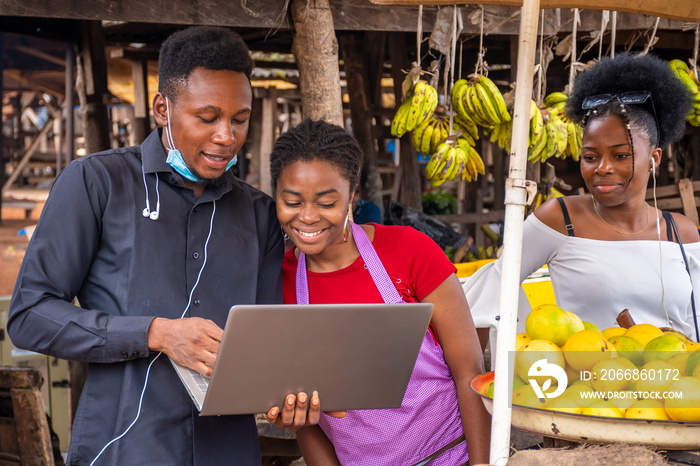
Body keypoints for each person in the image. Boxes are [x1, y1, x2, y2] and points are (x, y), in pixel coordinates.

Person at [8, 26, 316, 465]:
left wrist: (290, 395)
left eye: (240, 119)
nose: (226, 136)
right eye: (207, 117)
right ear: (162, 109)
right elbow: (29, 315)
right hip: (124, 450)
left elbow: (270, 343)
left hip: (228, 453)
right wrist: (156, 333)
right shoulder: (96, 183)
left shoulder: (260, 215)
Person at [267, 118, 490, 465]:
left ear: (352, 195)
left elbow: (469, 373)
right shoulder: (277, 284)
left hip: (450, 456)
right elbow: (306, 422)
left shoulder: (409, 251)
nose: (307, 217)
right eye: (292, 201)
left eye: (327, 202)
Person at [465, 52, 700, 349]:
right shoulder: (560, 219)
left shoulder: (681, 232)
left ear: (653, 159)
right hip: (589, 387)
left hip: (675, 386)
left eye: (620, 155)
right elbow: (491, 293)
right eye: (590, 157)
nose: (602, 168)